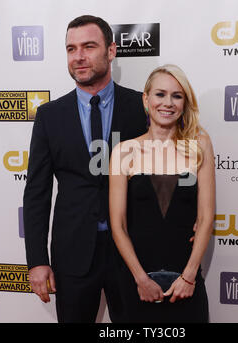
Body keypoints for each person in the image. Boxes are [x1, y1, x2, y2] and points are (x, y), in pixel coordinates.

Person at [23, 15, 146, 323]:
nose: (78, 56)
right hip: (72, 253)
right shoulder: (49, 116)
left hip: (133, 252)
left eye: (89, 46)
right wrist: (37, 261)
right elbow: (37, 193)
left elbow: (163, 176)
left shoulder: (140, 107)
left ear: (112, 51)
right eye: (71, 48)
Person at [109, 64, 215, 322]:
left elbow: (206, 217)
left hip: (186, 282)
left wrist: (189, 277)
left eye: (177, 96)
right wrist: (141, 279)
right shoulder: (124, 151)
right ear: (146, 100)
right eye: (160, 94)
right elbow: (118, 225)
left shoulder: (199, 145)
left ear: (184, 103)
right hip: (137, 283)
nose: (168, 103)